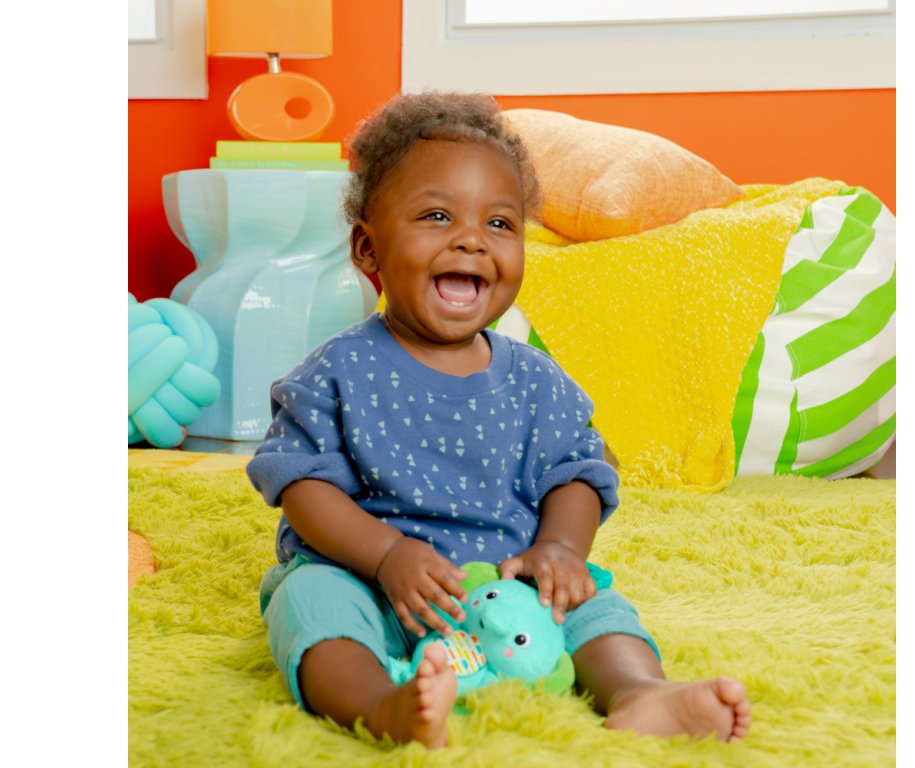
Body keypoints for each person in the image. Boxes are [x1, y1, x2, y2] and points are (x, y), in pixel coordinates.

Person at [247, 91, 752, 750]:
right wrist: (386, 554)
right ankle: (380, 704)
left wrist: (560, 551)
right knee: (310, 604)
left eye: (500, 224)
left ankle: (639, 691)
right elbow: (302, 484)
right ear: (369, 248)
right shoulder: (337, 370)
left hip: (510, 585)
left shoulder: (538, 381)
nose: (471, 239)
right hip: (369, 580)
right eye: (437, 215)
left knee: (594, 605)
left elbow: (576, 475)